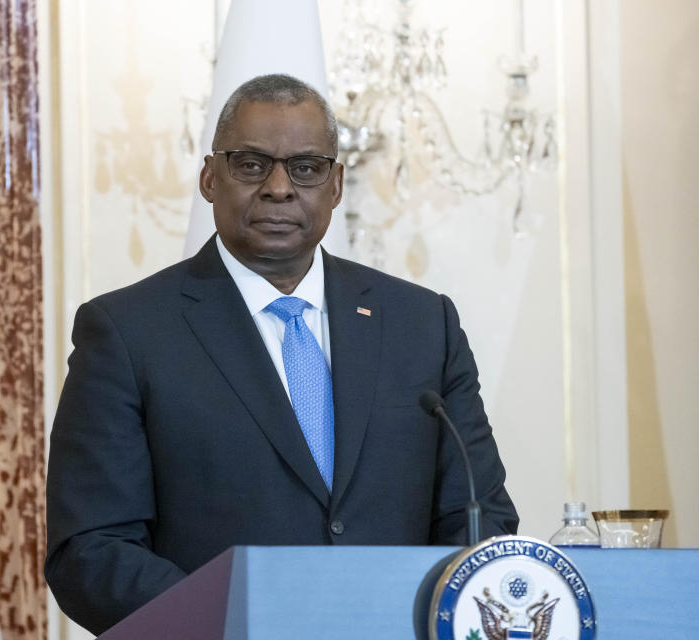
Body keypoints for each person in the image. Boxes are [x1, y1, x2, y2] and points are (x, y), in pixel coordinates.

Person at [45, 73, 518, 635]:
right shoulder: (127, 332)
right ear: (208, 177)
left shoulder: (423, 324)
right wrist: (247, 622)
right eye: (250, 164)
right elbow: (92, 551)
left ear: (336, 185)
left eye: (306, 168)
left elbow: (480, 517)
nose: (278, 187)